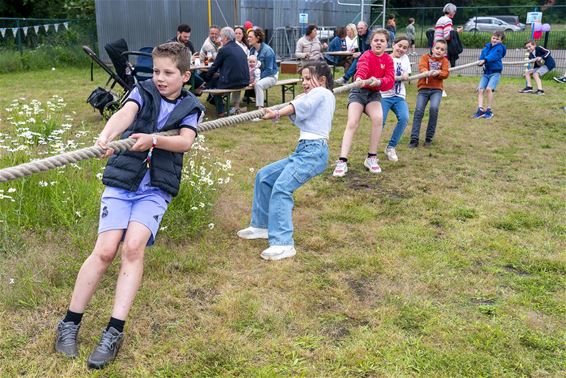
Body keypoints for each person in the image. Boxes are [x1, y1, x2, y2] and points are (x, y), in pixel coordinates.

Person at [54, 42, 204, 369]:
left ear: (185, 75)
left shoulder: (191, 105)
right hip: (123, 182)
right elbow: (126, 114)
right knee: (106, 250)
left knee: (133, 248)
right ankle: (69, 322)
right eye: (156, 71)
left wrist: (154, 139)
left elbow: (185, 142)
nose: (160, 78)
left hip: (156, 188)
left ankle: (113, 331)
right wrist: (106, 136)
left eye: (168, 73)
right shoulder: (143, 90)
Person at [237, 61, 335, 261]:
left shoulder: (323, 93)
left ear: (322, 80)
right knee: (264, 176)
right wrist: (289, 107)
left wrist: (278, 112)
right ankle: (261, 225)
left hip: (314, 152)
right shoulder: (317, 97)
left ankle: (283, 243)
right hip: (304, 150)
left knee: (281, 188)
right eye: (303, 79)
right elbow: (302, 116)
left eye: (308, 78)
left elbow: (303, 105)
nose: (304, 82)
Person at [333, 29, 394, 177]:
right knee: (352, 122)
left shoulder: (388, 60)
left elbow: (390, 80)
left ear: (387, 44)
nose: (379, 43)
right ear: (371, 42)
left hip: (374, 94)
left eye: (382, 41)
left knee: (378, 118)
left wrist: (379, 81)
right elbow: (362, 68)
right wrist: (360, 78)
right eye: (376, 40)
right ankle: (342, 160)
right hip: (359, 93)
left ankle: (371, 158)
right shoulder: (366, 55)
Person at [408, 39, 450, 148]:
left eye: (442, 49)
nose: (439, 51)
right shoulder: (425, 57)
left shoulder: (445, 61)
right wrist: (426, 72)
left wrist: (438, 73)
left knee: (434, 108)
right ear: (433, 49)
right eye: (437, 48)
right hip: (423, 89)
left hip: (436, 90)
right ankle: (414, 138)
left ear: (445, 52)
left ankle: (429, 137)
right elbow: (422, 67)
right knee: (418, 111)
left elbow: (445, 73)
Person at [202, 27, 249, 116]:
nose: (220, 39)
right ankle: (214, 102)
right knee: (215, 80)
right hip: (244, 81)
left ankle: (220, 112)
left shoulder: (224, 49)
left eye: (221, 37)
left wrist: (206, 78)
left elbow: (215, 66)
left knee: (213, 86)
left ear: (226, 38)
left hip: (233, 81)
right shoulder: (239, 48)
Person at [381, 36, 411, 162]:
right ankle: (372, 152)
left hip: (399, 96)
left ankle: (391, 147)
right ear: (393, 45)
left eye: (405, 48)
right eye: (399, 46)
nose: (401, 49)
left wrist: (406, 75)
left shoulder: (405, 59)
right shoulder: (385, 58)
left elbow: (407, 73)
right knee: (380, 121)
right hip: (384, 95)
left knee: (404, 118)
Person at [473, 31, 506, 119]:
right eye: (493, 38)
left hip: (495, 72)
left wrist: (485, 60)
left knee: (488, 89)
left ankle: (489, 110)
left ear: (501, 41)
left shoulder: (500, 48)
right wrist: (480, 62)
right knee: (480, 90)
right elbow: (482, 57)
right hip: (486, 72)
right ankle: (480, 110)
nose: (494, 40)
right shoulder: (486, 48)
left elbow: (493, 56)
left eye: (497, 39)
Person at [247, 27, 278, 113]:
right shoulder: (252, 50)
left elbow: (269, 70)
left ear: (258, 38)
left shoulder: (268, 51)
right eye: (248, 37)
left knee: (258, 85)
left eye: (250, 37)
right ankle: (235, 107)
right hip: (257, 76)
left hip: (271, 76)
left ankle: (260, 111)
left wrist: (256, 79)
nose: (248, 39)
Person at [335, 21, 371, 85]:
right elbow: (361, 48)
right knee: (351, 60)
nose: (359, 30)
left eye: (361, 28)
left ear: (366, 28)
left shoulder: (370, 36)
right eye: (358, 28)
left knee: (356, 59)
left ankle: (345, 78)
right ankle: (352, 80)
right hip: (362, 55)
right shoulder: (360, 36)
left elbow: (369, 50)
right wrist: (355, 50)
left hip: (371, 56)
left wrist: (360, 53)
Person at [435, 3, 460, 67]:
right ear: (451, 11)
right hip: (442, 46)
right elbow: (446, 36)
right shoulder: (448, 20)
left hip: (436, 45)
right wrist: (456, 32)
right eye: (454, 11)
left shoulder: (440, 19)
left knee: (436, 67)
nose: (455, 13)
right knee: (442, 68)